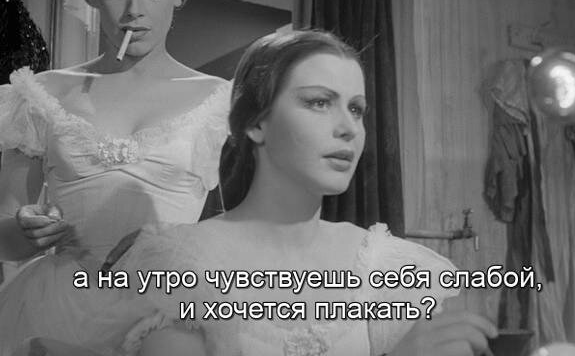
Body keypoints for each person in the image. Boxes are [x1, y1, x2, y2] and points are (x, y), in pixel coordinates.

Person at [77, 30, 497, 355]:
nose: (349, 128)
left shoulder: (393, 271)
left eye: (356, 109)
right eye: (319, 102)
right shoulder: (178, 266)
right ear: (255, 123)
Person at [0, 0, 230, 355]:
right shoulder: (41, 94)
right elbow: (5, 232)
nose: (134, 10)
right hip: (56, 309)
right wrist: (25, 231)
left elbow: (244, 226)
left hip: (169, 314)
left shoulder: (222, 101)